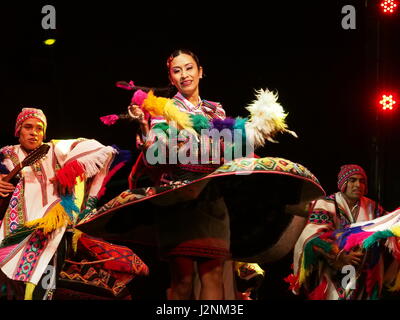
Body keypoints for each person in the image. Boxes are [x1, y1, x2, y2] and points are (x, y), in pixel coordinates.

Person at [0, 107, 148, 300]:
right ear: (18, 130)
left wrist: (69, 171)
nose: (34, 132)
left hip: (51, 227)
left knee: (41, 281)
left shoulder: (54, 149)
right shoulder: (5, 156)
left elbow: (93, 147)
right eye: (28, 127)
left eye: (39, 128)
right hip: (14, 228)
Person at [128, 49, 231, 300]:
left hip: (211, 199)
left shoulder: (216, 111)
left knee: (213, 277)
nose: (184, 75)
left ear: (200, 72)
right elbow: (153, 156)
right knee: (183, 281)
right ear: (171, 78)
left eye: (189, 68)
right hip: (177, 197)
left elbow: (227, 152)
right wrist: (143, 126)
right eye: (177, 70)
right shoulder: (163, 109)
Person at [287, 164, 388, 299]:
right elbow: (314, 236)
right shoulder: (326, 204)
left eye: (362, 181)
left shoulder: (373, 207)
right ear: (343, 183)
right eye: (352, 180)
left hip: (363, 277)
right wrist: (339, 255)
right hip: (331, 272)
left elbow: (390, 225)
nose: (358, 185)